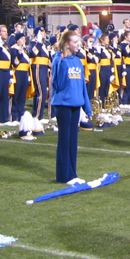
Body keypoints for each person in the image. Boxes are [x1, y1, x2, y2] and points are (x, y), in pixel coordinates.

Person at [51, 29, 92, 184]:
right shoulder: (58, 59)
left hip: (76, 104)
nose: (78, 45)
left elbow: (82, 86)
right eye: (75, 42)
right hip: (63, 105)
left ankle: (72, 174)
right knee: (64, 140)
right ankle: (63, 175)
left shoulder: (77, 60)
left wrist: (87, 107)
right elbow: (58, 85)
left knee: (73, 141)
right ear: (67, 44)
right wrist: (60, 63)